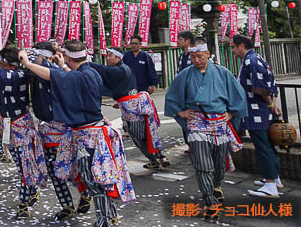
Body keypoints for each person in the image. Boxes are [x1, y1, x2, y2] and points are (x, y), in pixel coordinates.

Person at [20, 40, 135, 227]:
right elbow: (69, 75)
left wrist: (27, 63)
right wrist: (63, 65)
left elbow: (50, 74)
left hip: (89, 135)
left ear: (68, 57)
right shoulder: (90, 72)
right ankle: (111, 215)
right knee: (99, 177)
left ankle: (104, 221)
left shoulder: (77, 76)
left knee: (93, 180)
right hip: (95, 131)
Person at [164, 45, 247, 222]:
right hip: (197, 121)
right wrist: (180, 112)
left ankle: (216, 186)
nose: (196, 60)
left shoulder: (223, 73)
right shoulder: (185, 75)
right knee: (202, 164)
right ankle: (210, 202)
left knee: (219, 163)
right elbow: (172, 96)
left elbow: (238, 95)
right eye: (193, 57)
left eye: (200, 56)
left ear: (208, 54)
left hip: (219, 121)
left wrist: (231, 113)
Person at [28, 42, 91, 221]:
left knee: (71, 167)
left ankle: (85, 194)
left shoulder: (56, 71)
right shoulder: (35, 72)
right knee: (53, 169)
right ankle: (67, 205)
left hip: (63, 128)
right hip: (46, 127)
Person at [0, 46, 43, 219]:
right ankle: (32, 190)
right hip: (9, 123)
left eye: (3, 64)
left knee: (24, 165)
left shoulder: (18, 76)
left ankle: (24, 204)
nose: (0, 67)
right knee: (21, 164)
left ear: (12, 65)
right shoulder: (12, 73)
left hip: (21, 124)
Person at [92, 47, 169, 170]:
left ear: (118, 57)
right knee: (149, 131)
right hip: (135, 103)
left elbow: (104, 70)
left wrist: (86, 63)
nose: (108, 58)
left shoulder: (119, 70)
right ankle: (161, 155)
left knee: (138, 136)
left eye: (110, 55)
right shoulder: (125, 68)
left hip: (131, 108)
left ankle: (153, 159)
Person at [231, 34, 283, 197]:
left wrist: (270, 104)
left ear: (241, 45)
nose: (232, 50)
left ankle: (270, 185)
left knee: (263, 146)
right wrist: (272, 103)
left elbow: (261, 88)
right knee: (266, 144)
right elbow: (272, 83)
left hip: (257, 111)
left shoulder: (251, 61)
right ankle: (273, 177)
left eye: (233, 47)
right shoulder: (256, 58)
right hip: (260, 110)